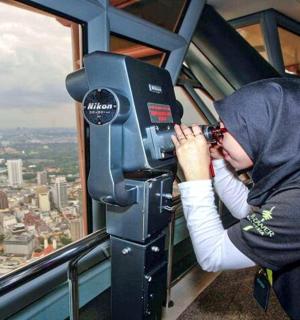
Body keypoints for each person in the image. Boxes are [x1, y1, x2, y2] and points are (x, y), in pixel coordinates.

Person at [171, 77, 300, 319]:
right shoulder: (291, 167)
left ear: (264, 129)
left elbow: (214, 255)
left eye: (224, 130)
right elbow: (249, 211)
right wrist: (219, 162)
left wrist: (196, 178)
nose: (216, 138)